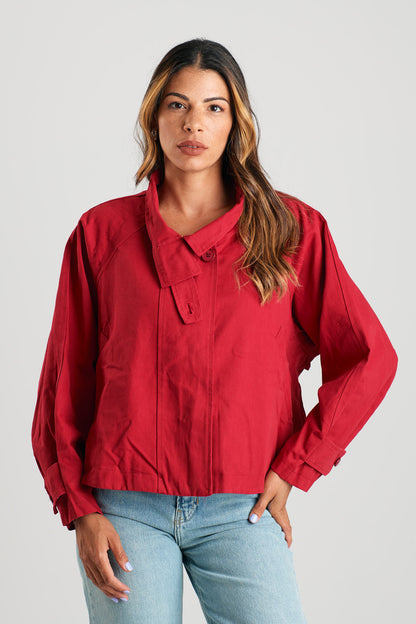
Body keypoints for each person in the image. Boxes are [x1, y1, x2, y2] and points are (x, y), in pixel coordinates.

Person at [31, 38, 398, 624]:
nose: (193, 123)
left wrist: (298, 465)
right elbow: (62, 384)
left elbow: (370, 357)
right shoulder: (100, 235)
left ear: (236, 122)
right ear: (154, 117)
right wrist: (79, 508)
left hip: (243, 506)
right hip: (124, 507)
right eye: (176, 105)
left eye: (213, 107)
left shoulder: (292, 230)